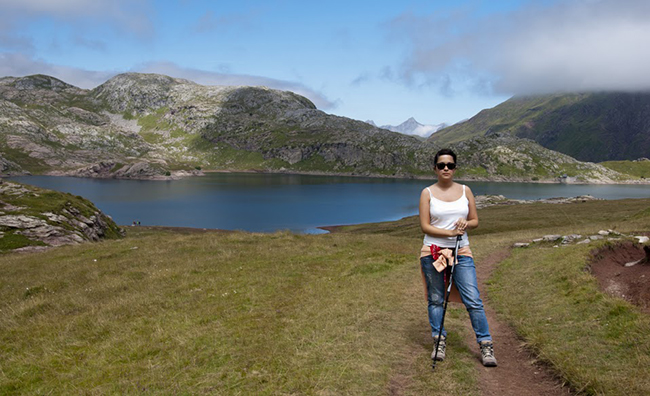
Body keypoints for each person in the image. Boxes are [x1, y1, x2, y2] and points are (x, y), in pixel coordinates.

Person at [419, 148, 497, 367]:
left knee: (473, 299)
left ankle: (485, 345)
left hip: (461, 252)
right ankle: (438, 341)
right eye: (442, 165)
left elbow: (474, 221)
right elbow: (425, 226)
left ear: (455, 168)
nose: (446, 169)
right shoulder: (427, 193)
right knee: (435, 299)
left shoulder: (465, 191)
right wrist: (450, 233)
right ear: (434, 168)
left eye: (450, 165)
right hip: (433, 252)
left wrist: (465, 224)